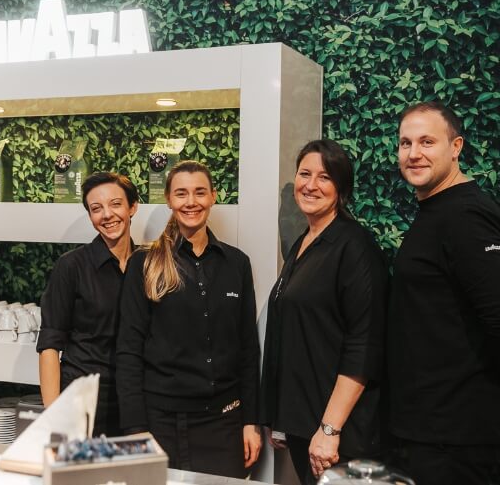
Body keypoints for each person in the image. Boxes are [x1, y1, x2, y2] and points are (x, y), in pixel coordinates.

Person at [116, 160, 262, 478]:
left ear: (213, 196)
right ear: (169, 199)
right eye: (181, 193)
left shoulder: (237, 264)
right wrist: (135, 429)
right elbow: (128, 351)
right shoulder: (144, 263)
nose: (191, 202)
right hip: (159, 425)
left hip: (223, 423)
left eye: (199, 192)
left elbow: (248, 350)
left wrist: (251, 421)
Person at [259, 139, 388, 484]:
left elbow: (364, 345)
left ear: (341, 188)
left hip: (339, 434)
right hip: (306, 426)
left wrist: (330, 428)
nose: (311, 185)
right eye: (305, 174)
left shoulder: (355, 247)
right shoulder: (303, 242)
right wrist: (280, 417)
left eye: (324, 177)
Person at [388, 102, 500, 484]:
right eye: (405, 143)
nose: (413, 153)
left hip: (456, 440)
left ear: (456, 147)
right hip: (431, 433)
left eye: (427, 141)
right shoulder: (437, 210)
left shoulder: (465, 216)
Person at [37, 172, 139, 436]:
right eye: (96, 209)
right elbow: (50, 343)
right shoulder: (71, 266)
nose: (107, 215)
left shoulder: (147, 264)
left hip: (135, 402)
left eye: (115, 204)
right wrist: (53, 416)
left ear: (132, 207)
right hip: (81, 400)